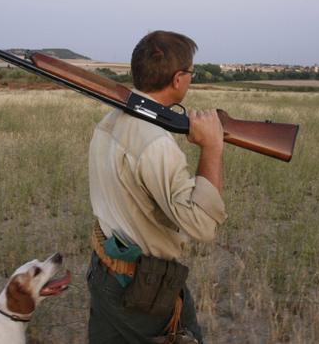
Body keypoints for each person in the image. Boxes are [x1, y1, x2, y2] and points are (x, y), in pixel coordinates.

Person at [87, 30, 227, 344]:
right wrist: (213, 147)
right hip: (144, 289)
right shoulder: (155, 143)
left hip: (105, 269)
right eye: (191, 73)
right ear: (178, 79)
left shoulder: (109, 120)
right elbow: (203, 226)